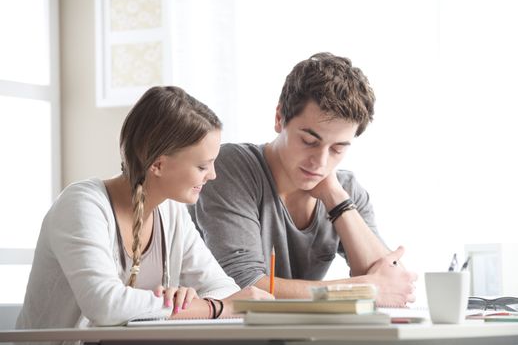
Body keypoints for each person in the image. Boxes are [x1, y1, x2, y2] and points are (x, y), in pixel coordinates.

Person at [16, 86, 272, 332]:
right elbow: (105, 305)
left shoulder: (171, 213)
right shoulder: (82, 205)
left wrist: (189, 302)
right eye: (202, 166)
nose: (213, 175)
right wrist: (205, 307)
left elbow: (224, 289)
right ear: (158, 165)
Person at [189, 53, 417, 307]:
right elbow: (245, 286)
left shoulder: (346, 190)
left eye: (338, 149)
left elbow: (391, 285)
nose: (320, 162)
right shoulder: (230, 167)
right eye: (309, 142)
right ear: (279, 118)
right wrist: (361, 290)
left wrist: (336, 199)